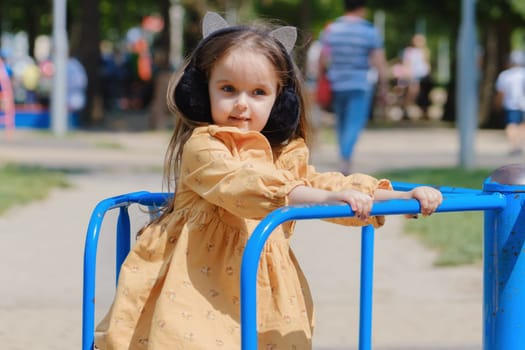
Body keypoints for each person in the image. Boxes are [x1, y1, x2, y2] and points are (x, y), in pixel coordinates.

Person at [95, 12, 442, 350]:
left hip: (264, 288)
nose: (242, 104)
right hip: (193, 282)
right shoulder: (204, 145)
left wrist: (398, 196)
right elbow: (239, 183)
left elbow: (328, 184)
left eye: (258, 93)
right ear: (204, 92)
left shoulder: (284, 155)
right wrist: (306, 197)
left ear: (279, 100)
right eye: (228, 89)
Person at [319, 0, 389, 175]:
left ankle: (344, 157)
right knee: (354, 123)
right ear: (362, 8)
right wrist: (384, 86)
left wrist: (322, 78)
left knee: (341, 122)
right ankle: (345, 159)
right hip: (359, 83)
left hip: (336, 82)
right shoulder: (369, 31)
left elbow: (323, 58)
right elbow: (379, 61)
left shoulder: (332, 29)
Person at [495, 50, 525, 156]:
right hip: (523, 104)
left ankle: (513, 145)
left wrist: (498, 104)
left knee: (511, 124)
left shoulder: (505, 75)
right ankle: (519, 145)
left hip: (511, 104)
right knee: (522, 125)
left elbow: (501, 92)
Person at [401, 33, 431, 118]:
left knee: (424, 94)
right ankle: (406, 108)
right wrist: (408, 74)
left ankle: (423, 111)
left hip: (424, 76)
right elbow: (406, 63)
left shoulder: (425, 51)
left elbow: (426, 63)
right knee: (413, 92)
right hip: (413, 75)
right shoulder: (409, 51)